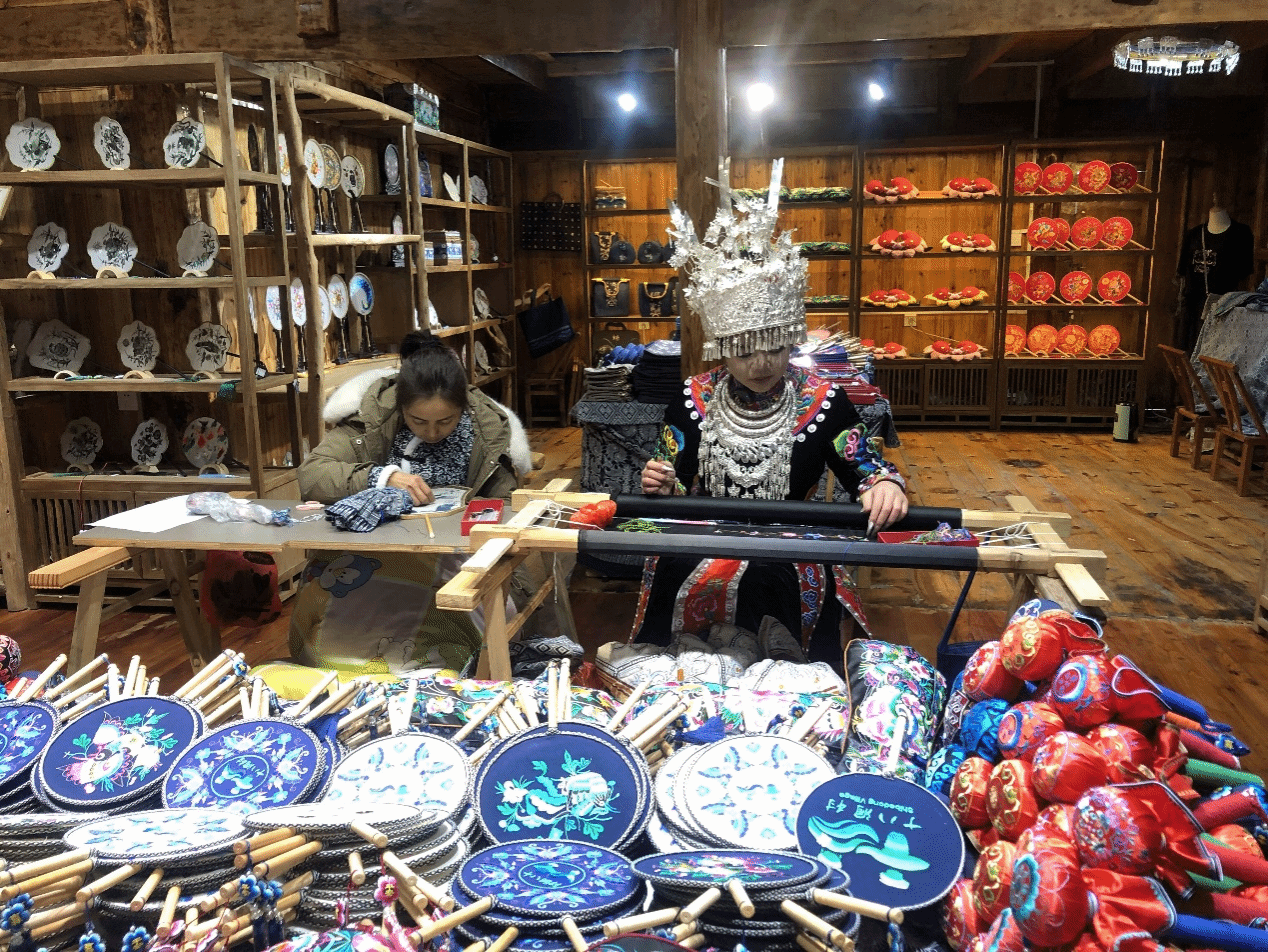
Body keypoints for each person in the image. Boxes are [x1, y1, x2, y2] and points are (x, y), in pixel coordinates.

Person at [630, 160, 908, 674]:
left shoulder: (823, 400)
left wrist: (883, 484)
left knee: (776, 576)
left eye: (775, 347)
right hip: (705, 532)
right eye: (744, 350)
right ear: (722, 347)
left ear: (791, 340)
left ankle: (793, 685)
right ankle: (678, 681)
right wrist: (660, 482)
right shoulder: (693, 397)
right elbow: (669, 476)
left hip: (792, 538)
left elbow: (864, 466)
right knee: (668, 559)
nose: (761, 364)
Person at [284, 332, 537, 683]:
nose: (432, 433)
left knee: (458, 624)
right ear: (401, 408)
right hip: (377, 555)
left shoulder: (488, 432)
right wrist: (381, 477)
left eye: (445, 421)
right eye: (419, 421)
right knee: (346, 629)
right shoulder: (371, 419)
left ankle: (438, 672)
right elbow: (313, 474)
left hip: (455, 557)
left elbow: (505, 510)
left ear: (463, 407)